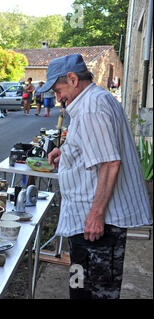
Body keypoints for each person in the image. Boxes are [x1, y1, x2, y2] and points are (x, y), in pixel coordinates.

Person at [41, 54, 152, 299]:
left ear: (72, 79)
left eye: (58, 91)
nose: (58, 98)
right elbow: (99, 149)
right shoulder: (95, 99)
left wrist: (96, 214)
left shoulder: (91, 107)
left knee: (90, 293)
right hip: (90, 221)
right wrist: (68, 152)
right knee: (81, 287)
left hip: (95, 224)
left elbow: (110, 162)